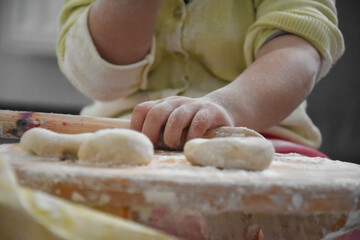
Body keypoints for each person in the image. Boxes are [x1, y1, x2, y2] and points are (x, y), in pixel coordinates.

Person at [56, 1, 351, 238]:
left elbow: (296, 53)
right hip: (125, 139)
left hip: (261, 139)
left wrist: (227, 106)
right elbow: (100, 80)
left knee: (328, 217)